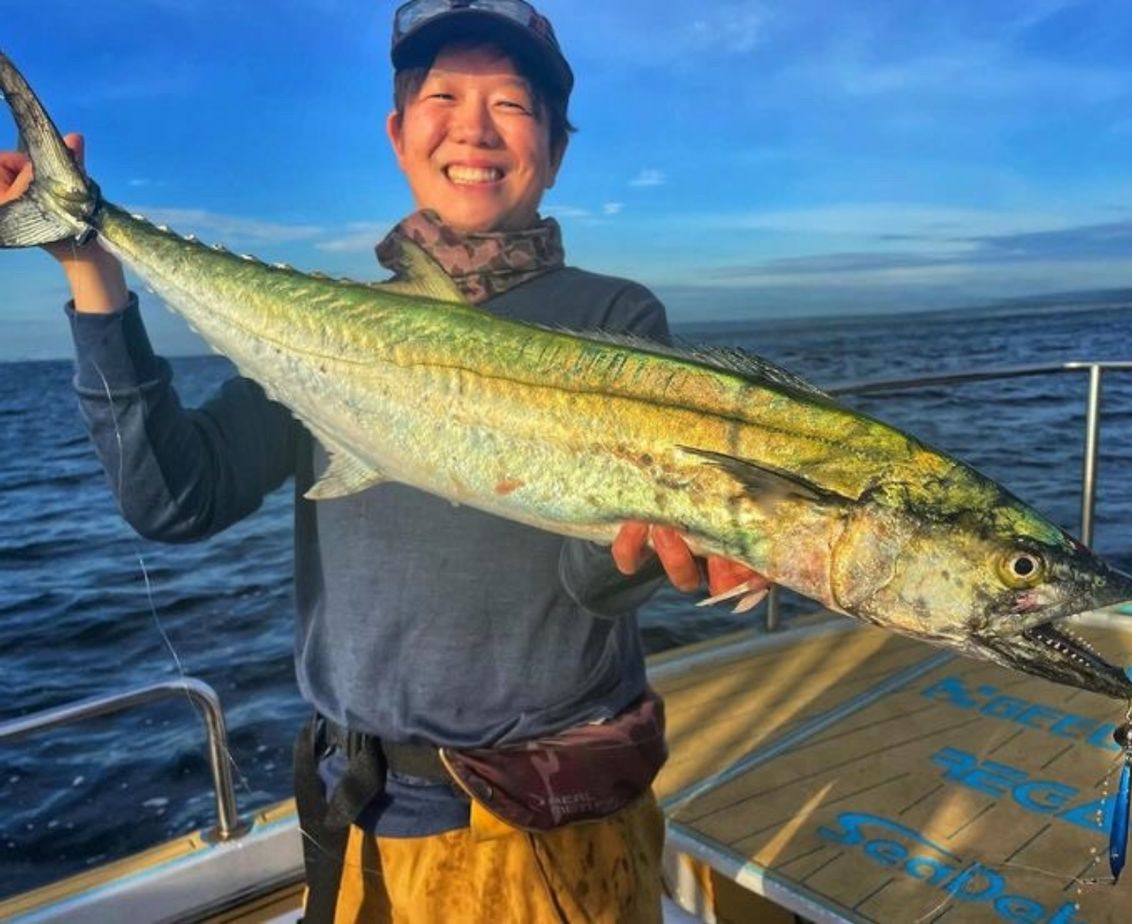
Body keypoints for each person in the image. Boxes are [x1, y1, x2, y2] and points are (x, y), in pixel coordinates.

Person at [1, 2, 765, 921]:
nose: (474, 127)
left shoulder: (614, 323)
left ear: (557, 150)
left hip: (539, 827)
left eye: (512, 105)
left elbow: (591, 579)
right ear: (400, 134)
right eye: (444, 95)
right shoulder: (327, 328)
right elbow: (176, 499)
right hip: (349, 809)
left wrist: (640, 543)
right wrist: (91, 266)